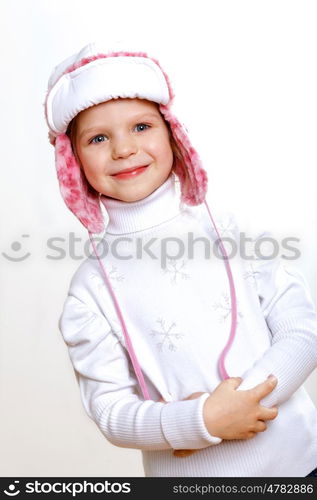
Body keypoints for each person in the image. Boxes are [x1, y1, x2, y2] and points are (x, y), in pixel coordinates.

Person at [44, 42, 317, 477]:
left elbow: (303, 329)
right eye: (98, 138)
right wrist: (199, 422)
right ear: (73, 163)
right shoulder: (90, 289)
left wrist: (234, 406)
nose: (123, 149)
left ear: (173, 133)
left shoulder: (232, 231)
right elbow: (111, 410)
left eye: (140, 126)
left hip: (301, 466)